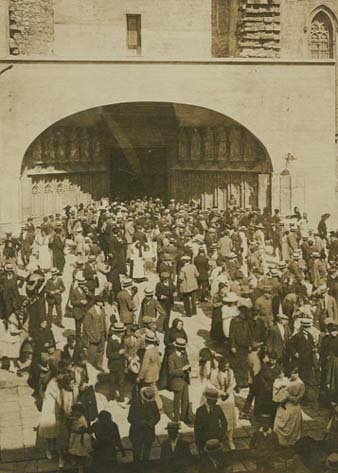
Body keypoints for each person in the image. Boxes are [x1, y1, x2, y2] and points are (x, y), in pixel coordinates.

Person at [209, 357, 237, 450]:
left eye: (227, 366)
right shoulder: (214, 373)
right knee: (219, 420)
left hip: (229, 398)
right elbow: (212, 386)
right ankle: (219, 439)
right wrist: (221, 393)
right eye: (224, 366)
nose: (226, 368)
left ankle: (230, 439)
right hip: (219, 398)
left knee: (230, 419)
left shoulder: (230, 372)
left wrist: (228, 392)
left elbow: (233, 383)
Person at [128, 385, 161, 463]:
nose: (147, 401)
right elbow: (130, 418)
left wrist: (152, 422)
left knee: (146, 454)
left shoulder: (152, 402)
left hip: (148, 432)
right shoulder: (135, 403)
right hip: (137, 433)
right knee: (137, 454)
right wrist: (141, 422)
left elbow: (157, 416)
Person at [273, 368, 305, 446]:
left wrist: (288, 396)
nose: (292, 375)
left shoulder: (300, 384)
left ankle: (291, 445)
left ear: (298, 373)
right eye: (291, 373)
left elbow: (297, 400)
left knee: (293, 429)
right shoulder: (288, 380)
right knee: (279, 426)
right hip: (283, 407)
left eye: (294, 373)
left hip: (293, 408)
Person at [194, 387, 227, 455]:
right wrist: (199, 442)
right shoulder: (200, 411)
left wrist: (221, 435)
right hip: (204, 440)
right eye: (214, 400)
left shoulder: (218, 408)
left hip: (216, 439)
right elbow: (197, 428)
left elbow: (224, 422)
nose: (216, 401)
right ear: (208, 399)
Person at [168, 337, 191, 423]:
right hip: (177, 382)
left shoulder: (184, 354)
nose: (183, 350)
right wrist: (182, 369)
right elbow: (171, 372)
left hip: (185, 380)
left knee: (186, 400)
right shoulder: (172, 357)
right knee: (177, 401)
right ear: (177, 347)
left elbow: (187, 362)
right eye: (181, 348)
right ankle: (176, 418)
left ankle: (184, 416)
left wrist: (189, 367)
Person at [82, 295, 107, 371]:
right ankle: (91, 364)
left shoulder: (102, 310)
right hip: (94, 335)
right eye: (101, 302)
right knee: (92, 352)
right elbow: (86, 326)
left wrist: (105, 332)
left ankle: (99, 365)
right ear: (97, 302)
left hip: (102, 333)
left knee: (101, 350)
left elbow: (104, 321)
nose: (102, 303)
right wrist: (90, 336)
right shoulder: (90, 312)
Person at [106, 322, 127, 405]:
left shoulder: (122, 338)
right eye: (122, 332)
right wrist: (119, 353)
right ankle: (111, 398)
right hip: (113, 365)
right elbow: (108, 355)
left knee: (122, 382)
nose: (123, 333)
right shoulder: (111, 341)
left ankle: (121, 399)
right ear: (117, 332)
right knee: (113, 382)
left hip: (121, 365)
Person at [68, 402, 92, 472]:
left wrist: (76, 431)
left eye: (78, 412)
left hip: (81, 437)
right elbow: (70, 425)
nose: (76, 414)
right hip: (74, 436)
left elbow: (84, 429)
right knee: (73, 448)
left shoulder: (82, 419)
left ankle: (80, 466)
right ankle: (75, 459)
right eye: (75, 412)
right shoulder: (73, 418)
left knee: (81, 450)